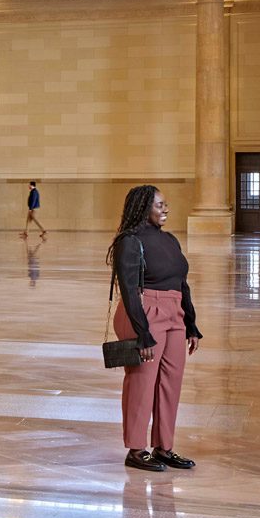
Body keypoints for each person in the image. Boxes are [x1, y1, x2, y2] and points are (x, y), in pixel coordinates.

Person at [106, 184, 200, 473]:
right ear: (143, 208)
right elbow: (130, 290)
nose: (166, 209)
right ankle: (136, 449)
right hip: (144, 313)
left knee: (171, 383)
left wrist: (192, 324)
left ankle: (164, 447)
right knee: (142, 382)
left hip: (174, 313)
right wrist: (142, 332)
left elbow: (181, 283)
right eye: (159, 205)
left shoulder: (170, 240)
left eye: (165, 204)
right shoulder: (130, 241)